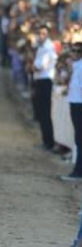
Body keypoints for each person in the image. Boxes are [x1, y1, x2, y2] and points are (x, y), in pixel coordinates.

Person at [32, 24, 57, 151]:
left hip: (45, 81)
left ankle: (49, 141)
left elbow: (41, 66)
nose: (40, 36)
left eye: (43, 33)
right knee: (41, 112)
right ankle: (45, 140)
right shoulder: (41, 46)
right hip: (40, 80)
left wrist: (33, 67)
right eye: (39, 33)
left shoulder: (48, 47)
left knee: (45, 112)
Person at [61, 42, 82, 181]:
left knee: (80, 139)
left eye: (76, 51)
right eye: (72, 50)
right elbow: (66, 80)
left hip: (79, 104)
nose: (73, 53)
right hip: (74, 102)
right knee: (78, 138)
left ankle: (78, 171)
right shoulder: (74, 66)